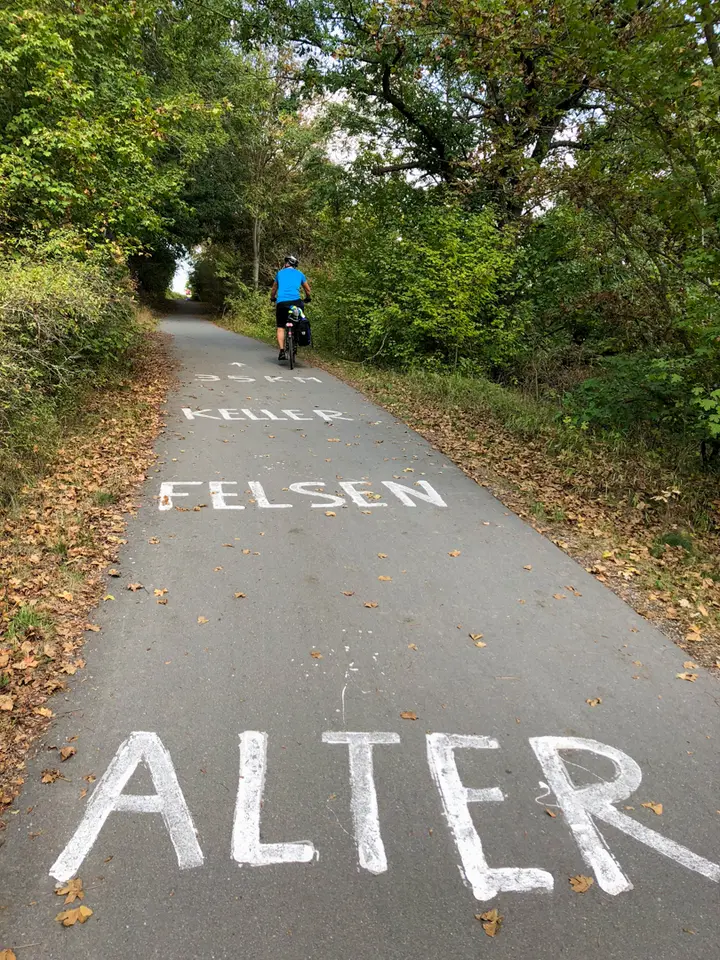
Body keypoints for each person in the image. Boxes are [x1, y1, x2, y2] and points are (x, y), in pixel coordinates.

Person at [270, 255, 311, 361]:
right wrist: (307, 298)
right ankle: (297, 335)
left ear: (286, 264)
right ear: (295, 265)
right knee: (300, 320)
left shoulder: (279, 273)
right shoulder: (300, 274)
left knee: (280, 327)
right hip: (296, 303)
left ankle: (282, 351)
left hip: (282, 303)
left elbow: (274, 288)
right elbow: (307, 290)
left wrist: (272, 298)